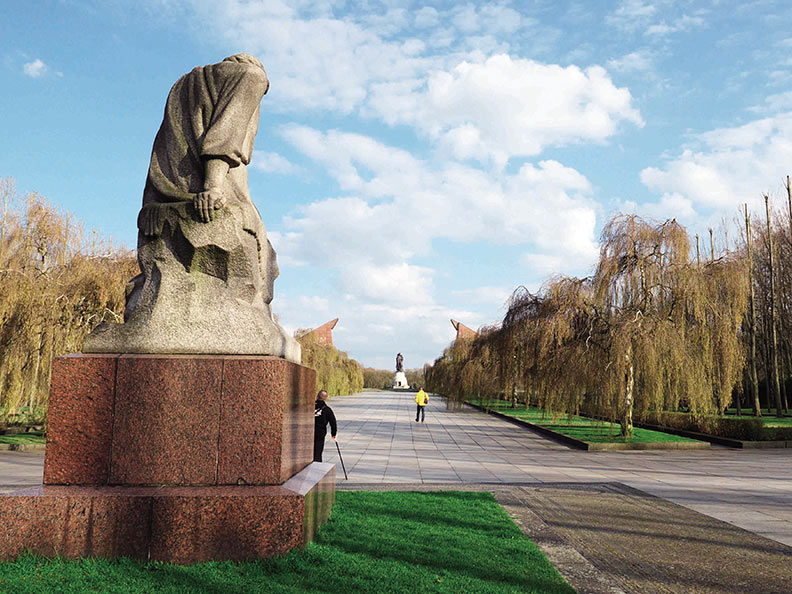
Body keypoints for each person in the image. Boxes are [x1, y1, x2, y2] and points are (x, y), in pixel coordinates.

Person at [314, 389, 337, 462]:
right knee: (317, 452)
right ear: (325, 398)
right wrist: (333, 433)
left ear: (317, 396)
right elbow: (333, 422)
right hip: (320, 433)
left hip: (308, 432)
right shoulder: (327, 409)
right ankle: (317, 466)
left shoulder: (309, 407)